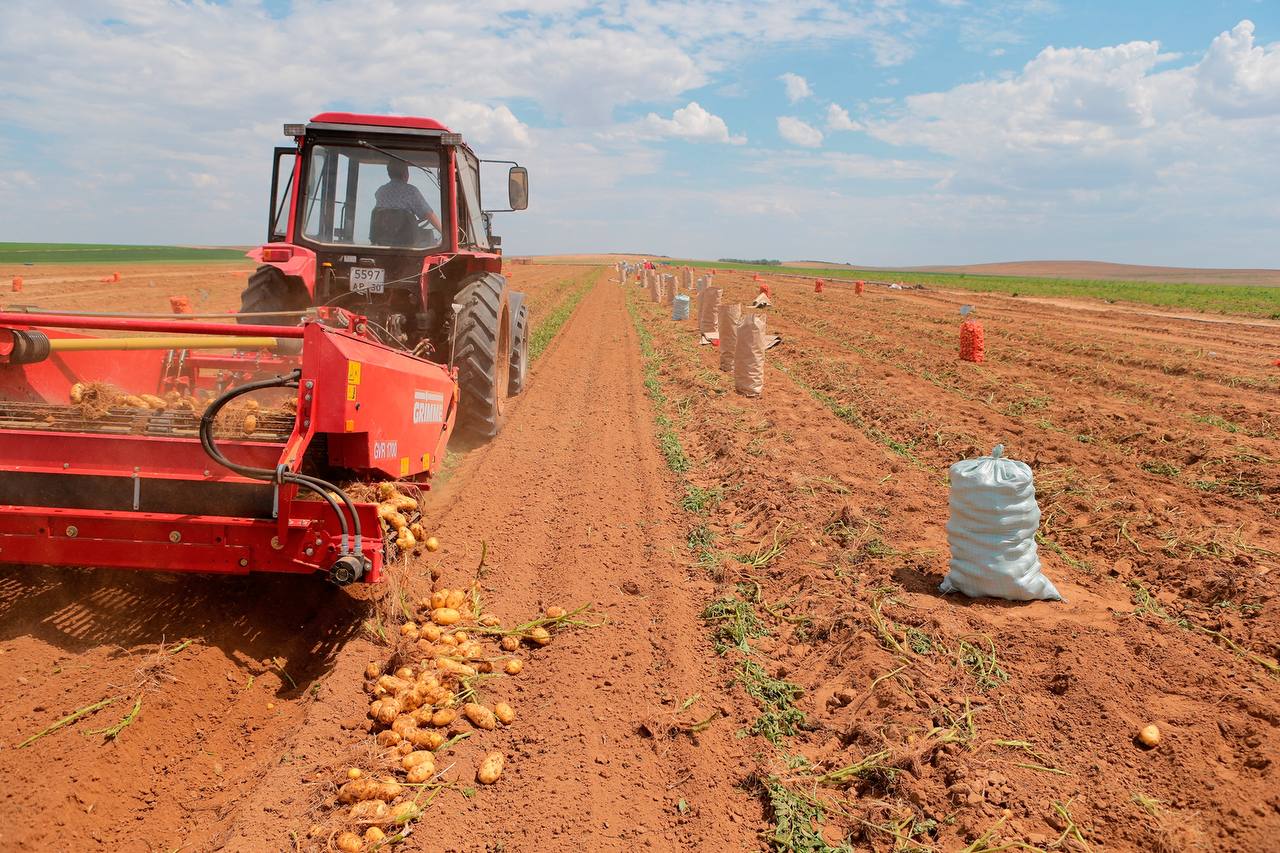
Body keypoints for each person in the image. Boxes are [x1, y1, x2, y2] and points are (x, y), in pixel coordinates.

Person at [375, 160, 443, 232]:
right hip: (405, 239)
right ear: (406, 173)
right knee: (428, 236)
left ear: (389, 174)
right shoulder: (411, 191)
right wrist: (444, 234)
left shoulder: (380, 191)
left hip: (382, 237)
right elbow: (428, 214)